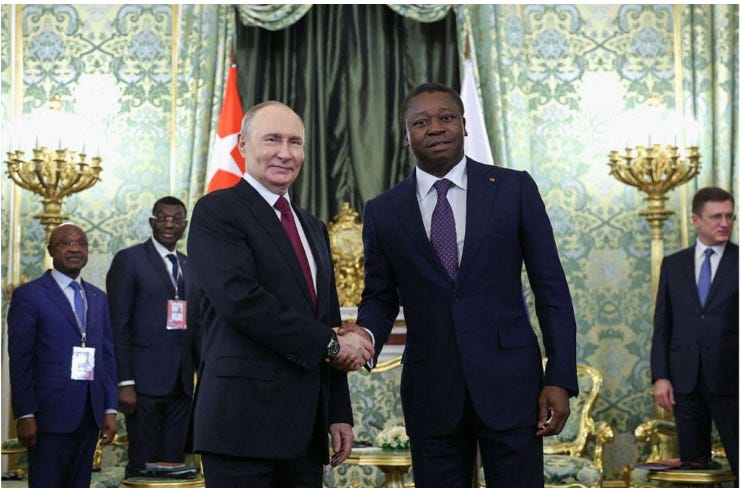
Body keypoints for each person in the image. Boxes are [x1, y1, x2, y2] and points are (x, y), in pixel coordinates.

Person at [350, 82, 578, 487]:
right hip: (431, 390)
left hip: (511, 384)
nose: (435, 128)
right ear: (406, 136)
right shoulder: (383, 211)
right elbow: (380, 297)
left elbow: (551, 290)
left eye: (446, 117)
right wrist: (364, 335)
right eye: (421, 122)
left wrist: (559, 378)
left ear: (464, 125)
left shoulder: (513, 189)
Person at [186, 100, 374, 487]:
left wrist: (338, 411)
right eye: (272, 139)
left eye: (295, 142)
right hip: (241, 424)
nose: (285, 153)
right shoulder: (217, 211)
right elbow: (241, 301)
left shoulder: (313, 227)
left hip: (305, 429)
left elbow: (328, 320)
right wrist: (331, 344)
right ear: (243, 144)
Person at [8, 223, 118, 488]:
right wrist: (24, 414)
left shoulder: (98, 297)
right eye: (65, 243)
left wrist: (109, 408)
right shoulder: (29, 295)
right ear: (50, 250)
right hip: (47, 416)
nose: (75, 249)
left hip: (89, 414)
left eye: (81, 243)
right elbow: (20, 360)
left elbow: (107, 356)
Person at [106, 196, 199, 477]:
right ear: (151, 222)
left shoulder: (190, 265)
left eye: (176, 219)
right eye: (162, 218)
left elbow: (198, 325)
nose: (169, 224)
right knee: (143, 466)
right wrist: (125, 382)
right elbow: (118, 325)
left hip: (182, 385)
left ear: (184, 225)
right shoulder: (130, 260)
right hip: (143, 384)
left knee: (172, 467)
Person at [652, 187, 738, 475]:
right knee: (693, 468)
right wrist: (661, 376)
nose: (724, 223)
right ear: (695, 220)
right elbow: (662, 325)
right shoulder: (673, 265)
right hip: (685, 382)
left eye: (729, 216)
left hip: (732, 380)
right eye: (716, 217)